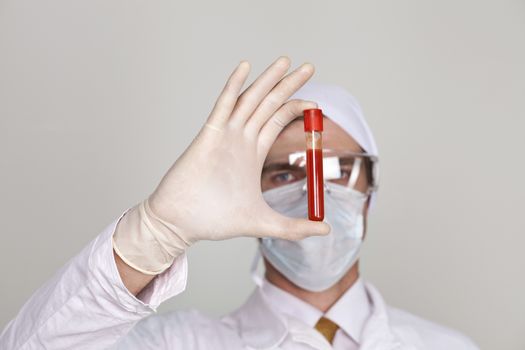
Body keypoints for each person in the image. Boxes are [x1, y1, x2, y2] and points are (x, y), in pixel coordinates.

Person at [0, 57, 479, 350]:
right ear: (246, 196)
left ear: (369, 192)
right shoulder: (174, 344)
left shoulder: (450, 347)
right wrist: (154, 232)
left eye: (338, 171)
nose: (317, 194)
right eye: (285, 173)